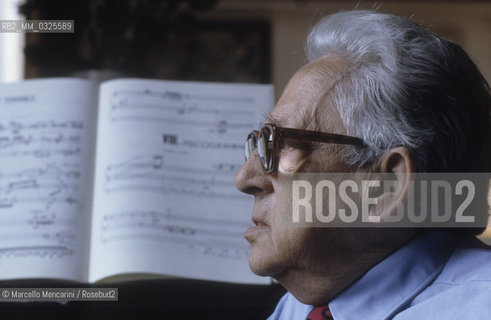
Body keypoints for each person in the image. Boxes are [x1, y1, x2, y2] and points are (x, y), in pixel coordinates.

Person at [234, 10, 491, 319]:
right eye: (262, 142)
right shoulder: (302, 304)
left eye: (284, 144)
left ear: (387, 185)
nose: (245, 178)